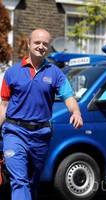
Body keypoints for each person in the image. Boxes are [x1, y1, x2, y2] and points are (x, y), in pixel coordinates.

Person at [0, 28, 83, 200]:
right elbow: (4, 105)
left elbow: (68, 96)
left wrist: (76, 112)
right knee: (19, 180)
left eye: (45, 44)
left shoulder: (55, 73)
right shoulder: (12, 73)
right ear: (29, 44)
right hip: (14, 132)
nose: (41, 46)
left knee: (32, 181)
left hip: (41, 136)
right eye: (37, 42)